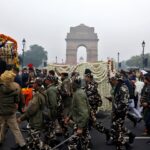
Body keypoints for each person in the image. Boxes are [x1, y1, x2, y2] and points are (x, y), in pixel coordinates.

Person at [0, 70, 26, 150]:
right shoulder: (16, 86)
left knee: (2, 125)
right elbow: (18, 100)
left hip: (1, 111)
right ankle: (22, 144)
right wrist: (21, 106)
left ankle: (1, 140)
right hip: (11, 111)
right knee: (15, 128)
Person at [108, 73, 134, 150]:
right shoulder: (119, 87)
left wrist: (117, 112)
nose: (112, 81)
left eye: (113, 80)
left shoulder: (122, 88)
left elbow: (123, 103)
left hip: (120, 113)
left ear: (117, 80)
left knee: (116, 130)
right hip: (118, 112)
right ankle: (123, 144)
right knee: (116, 129)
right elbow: (118, 99)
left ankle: (125, 144)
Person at [65, 73, 90, 149]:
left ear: (75, 84)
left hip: (80, 122)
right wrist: (69, 117)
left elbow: (84, 112)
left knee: (71, 144)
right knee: (85, 142)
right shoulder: (77, 92)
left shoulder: (78, 94)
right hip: (81, 122)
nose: (71, 84)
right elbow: (74, 108)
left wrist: (80, 127)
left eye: (72, 82)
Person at [84, 69, 110, 142]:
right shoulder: (89, 84)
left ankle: (106, 132)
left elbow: (89, 97)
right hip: (90, 107)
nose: (84, 78)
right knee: (89, 123)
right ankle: (87, 141)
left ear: (88, 77)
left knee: (92, 123)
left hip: (91, 107)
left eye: (85, 76)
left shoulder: (91, 85)